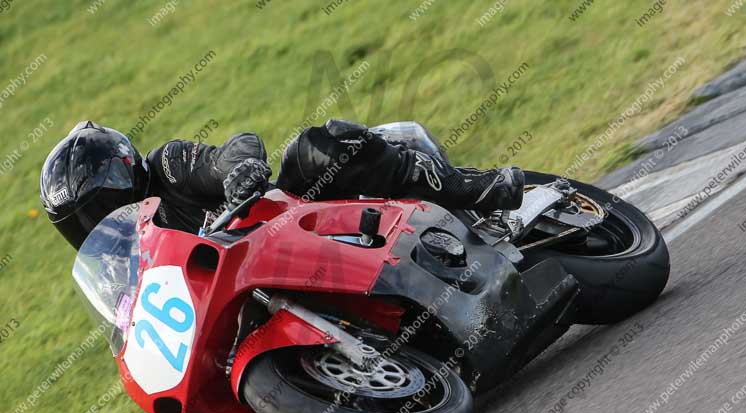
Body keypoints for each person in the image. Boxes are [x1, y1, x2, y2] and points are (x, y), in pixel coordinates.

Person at [40, 119, 523, 249]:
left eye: (98, 208)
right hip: (262, 288)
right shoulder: (122, 270)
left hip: (297, 223)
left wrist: (240, 172)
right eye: (81, 223)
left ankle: (470, 187)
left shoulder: (166, 167)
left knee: (319, 149)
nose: (97, 225)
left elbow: (234, 147)